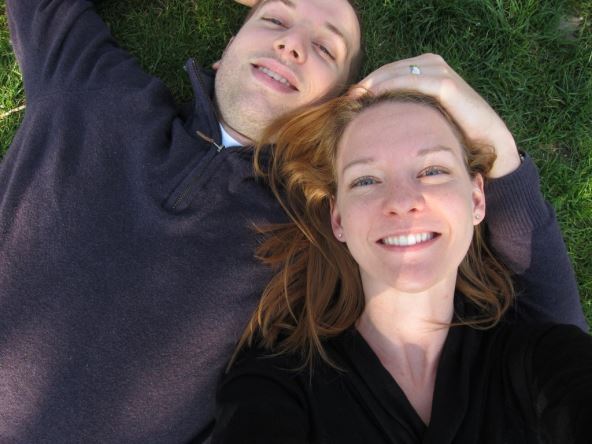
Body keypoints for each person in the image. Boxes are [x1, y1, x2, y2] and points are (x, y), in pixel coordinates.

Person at [0, 0, 586, 442]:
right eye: (275, 20)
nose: (291, 44)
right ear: (227, 47)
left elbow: (540, 315)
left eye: (326, 49)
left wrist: (495, 145)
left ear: (336, 106)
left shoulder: (314, 226)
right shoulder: (93, 92)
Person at [211, 90, 592, 443]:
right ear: (338, 219)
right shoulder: (276, 381)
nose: (402, 201)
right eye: (366, 180)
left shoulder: (543, 359)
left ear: (477, 198)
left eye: (433, 171)